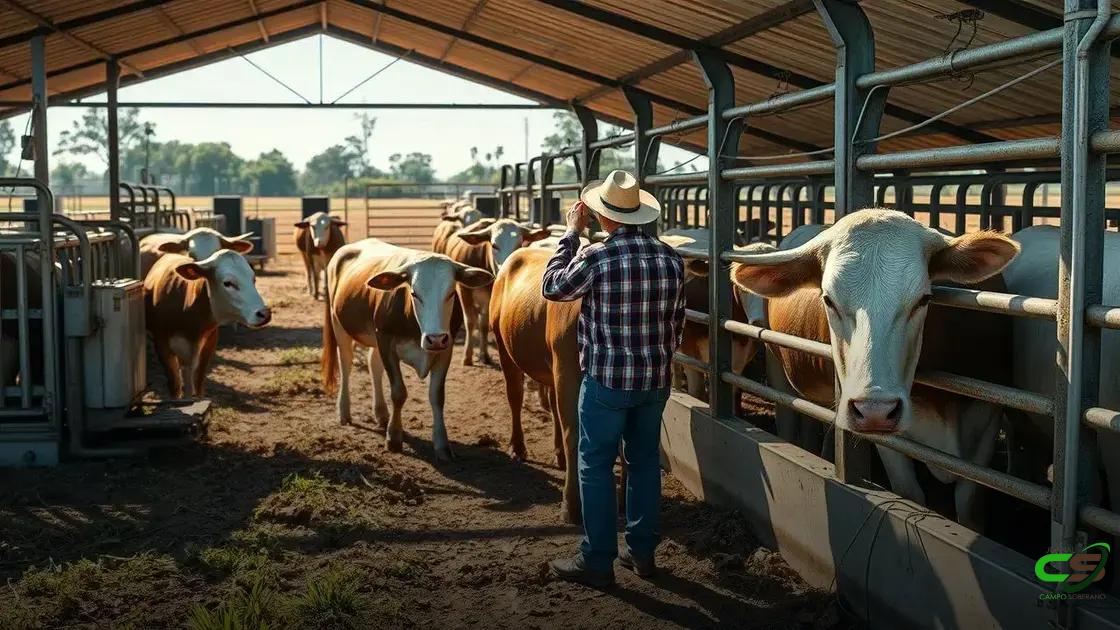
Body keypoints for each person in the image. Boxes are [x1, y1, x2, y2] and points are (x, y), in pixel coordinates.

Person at [541, 169, 686, 587]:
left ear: (604, 218)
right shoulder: (671, 259)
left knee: (596, 466)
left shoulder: (596, 257)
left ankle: (598, 559)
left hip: (606, 381)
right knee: (643, 465)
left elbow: (552, 287)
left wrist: (570, 234)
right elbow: (675, 324)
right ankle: (641, 553)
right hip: (654, 381)